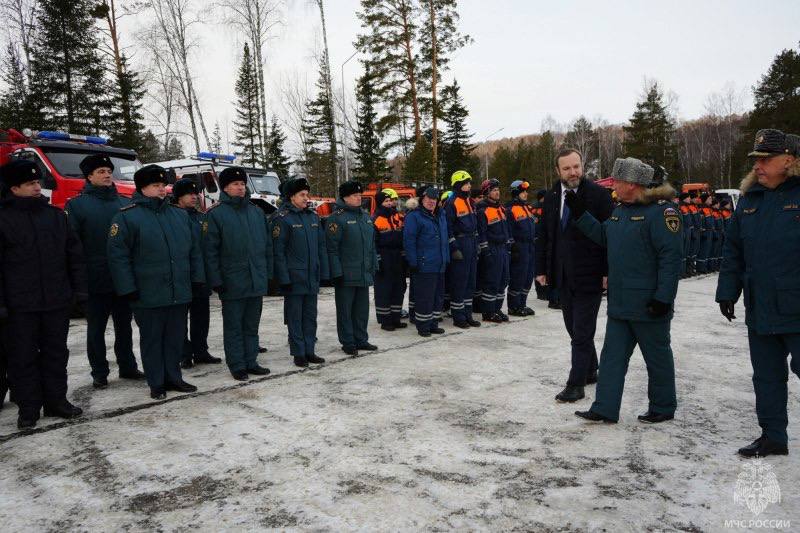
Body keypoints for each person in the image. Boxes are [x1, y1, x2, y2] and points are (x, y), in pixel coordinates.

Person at [570, 157, 682, 424]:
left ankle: (663, 406)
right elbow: (603, 237)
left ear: (632, 184)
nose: (614, 186)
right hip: (621, 304)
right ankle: (605, 408)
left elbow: (671, 259)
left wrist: (664, 298)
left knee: (657, 359)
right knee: (611, 359)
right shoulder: (620, 211)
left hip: (649, 305)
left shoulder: (662, 213)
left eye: (618, 181)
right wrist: (580, 215)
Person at [716, 129, 800, 457]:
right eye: (756, 160)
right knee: (766, 375)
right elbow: (733, 249)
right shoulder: (749, 201)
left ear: (790, 160)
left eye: (767, 159)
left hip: (796, 306)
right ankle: (773, 435)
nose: (759, 165)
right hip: (760, 306)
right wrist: (727, 291)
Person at [0, 160, 88, 429]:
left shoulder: (55, 216)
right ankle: (28, 409)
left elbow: (74, 257)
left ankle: (56, 401)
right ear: (14, 188)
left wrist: (79, 291)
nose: (38, 187)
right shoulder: (3, 219)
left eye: (38, 182)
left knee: (55, 353)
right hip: (19, 306)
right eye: (30, 184)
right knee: (22, 358)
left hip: (56, 301)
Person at [108, 165, 204, 400]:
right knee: (152, 338)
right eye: (156, 186)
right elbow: (118, 256)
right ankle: (156, 381)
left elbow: (193, 251)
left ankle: (174, 377)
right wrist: (128, 288)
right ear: (143, 188)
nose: (162, 190)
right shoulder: (127, 216)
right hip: (147, 291)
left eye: (163, 185)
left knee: (174, 337)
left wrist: (197, 279)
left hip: (178, 289)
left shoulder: (179, 215)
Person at [535, 148, 614, 403]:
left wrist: (607, 271)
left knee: (581, 331)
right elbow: (545, 235)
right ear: (558, 171)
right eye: (567, 168)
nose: (573, 172)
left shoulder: (599, 195)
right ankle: (590, 369)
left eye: (576, 166)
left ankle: (575, 384)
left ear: (583, 165)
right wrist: (541, 269)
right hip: (562, 275)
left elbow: (608, 238)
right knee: (573, 328)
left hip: (590, 275)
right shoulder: (551, 197)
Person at [65, 154, 144, 389]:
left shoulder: (124, 203)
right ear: (89, 176)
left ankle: (127, 366)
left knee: (124, 326)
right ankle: (99, 372)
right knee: (96, 329)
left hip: (122, 278)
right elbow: (72, 246)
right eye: (101, 171)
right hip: (94, 278)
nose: (107, 174)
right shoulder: (77, 205)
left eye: (109, 170)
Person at [205, 167, 273, 381]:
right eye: (235, 184)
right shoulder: (216, 215)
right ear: (225, 187)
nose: (240, 187)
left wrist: (268, 274)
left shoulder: (256, 212)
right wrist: (216, 280)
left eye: (242, 184)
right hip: (232, 280)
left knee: (251, 324)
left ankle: (251, 361)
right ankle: (237, 364)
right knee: (234, 325)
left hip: (256, 279)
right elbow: (210, 251)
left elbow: (267, 247)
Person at [272, 177, 329, 368]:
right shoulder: (282, 219)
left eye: (307, 194)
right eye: (302, 195)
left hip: (311, 276)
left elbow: (321, 247)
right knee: (295, 317)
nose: (306, 198)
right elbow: (278, 252)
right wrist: (284, 278)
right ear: (292, 197)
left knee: (310, 316)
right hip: (294, 278)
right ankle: (299, 353)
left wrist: (323, 272)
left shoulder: (313, 217)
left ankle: (310, 350)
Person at [171, 178, 221, 369]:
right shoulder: (173, 216)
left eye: (196, 193)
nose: (194, 197)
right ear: (178, 197)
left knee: (201, 317)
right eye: (189, 194)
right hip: (182, 277)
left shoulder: (202, 217)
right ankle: (184, 354)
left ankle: (201, 350)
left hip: (201, 277)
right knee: (180, 319)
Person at [326, 181, 378, 356]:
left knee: (362, 310)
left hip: (363, 272)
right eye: (355, 195)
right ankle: (348, 342)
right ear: (345, 197)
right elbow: (332, 249)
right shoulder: (337, 218)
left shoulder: (365, 217)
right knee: (345, 311)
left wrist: (374, 265)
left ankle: (361, 339)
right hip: (346, 274)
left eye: (359, 195)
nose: (358, 198)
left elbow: (371, 245)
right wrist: (336, 272)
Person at [403, 187, 449, 337]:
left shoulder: (441, 215)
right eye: (429, 199)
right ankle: (423, 325)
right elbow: (409, 241)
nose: (432, 202)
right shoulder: (414, 216)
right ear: (422, 199)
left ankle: (433, 323)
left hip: (440, 263)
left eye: (434, 199)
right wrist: (413, 262)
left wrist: (446, 258)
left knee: (437, 296)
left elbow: (444, 239)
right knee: (425, 297)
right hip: (424, 264)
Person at [444, 171, 481, 328]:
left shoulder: (470, 202)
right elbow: (448, 228)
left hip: (471, 242)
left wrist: (477, 242)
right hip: (460, 243)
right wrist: (454, 247)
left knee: (471, 282)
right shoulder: (451, 203)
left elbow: (475, 223)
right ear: (459, 184)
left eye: (469, 183)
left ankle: (467, 314)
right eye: (466, 183)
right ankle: (458, 317)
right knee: (460, 282)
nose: (469, 185)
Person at [372, 188, 407, 331]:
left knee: (399, 288)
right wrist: (378, 260)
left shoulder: (398, 217)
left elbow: (404, 237)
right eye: (386, 201)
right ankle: (385, 320)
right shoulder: (375, 219)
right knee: (384, 289)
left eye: (391, 200)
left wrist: (405, 257)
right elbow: (373, 243)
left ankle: (396, 317)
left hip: (397, 256)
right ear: (380, 203)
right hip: (384, 256)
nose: (390, 203)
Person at [476, 179, 510, 323]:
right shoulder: (482, 210)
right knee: (492, 281)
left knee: (503, 280)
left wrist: (508, 247)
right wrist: (486, 251)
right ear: (487, 193)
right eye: (494, 190)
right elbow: (482, 233)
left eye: (498, 190)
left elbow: (506, 230)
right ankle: (488, 312)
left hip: (502, 249)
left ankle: (497, 309)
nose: (497, 192)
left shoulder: (501, 208)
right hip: (492, 249)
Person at [506, 180, 537, 316]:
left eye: (526, 191)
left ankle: (522, 304)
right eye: (523, 192)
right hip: (519, 246)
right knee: (518, 277)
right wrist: (513, 247)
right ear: (516, 193)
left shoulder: (527, 207)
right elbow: (508, 230)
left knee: (528, 277)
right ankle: (513, 306)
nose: (526, 194)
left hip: (530, 246)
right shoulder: (510, 209)